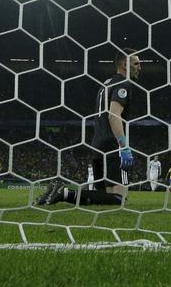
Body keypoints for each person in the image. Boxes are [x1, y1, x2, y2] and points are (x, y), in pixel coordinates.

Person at [37, 50, 143, 206]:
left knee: (102, 196)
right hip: (112, 145)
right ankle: (64, 193)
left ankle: (58, 192)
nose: (140, 67)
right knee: (118, 198)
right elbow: (114, 115)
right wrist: (124, 145)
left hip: (97, 144)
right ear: (124, 64)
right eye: (136, 63)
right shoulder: (123, 83)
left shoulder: (106, 84)